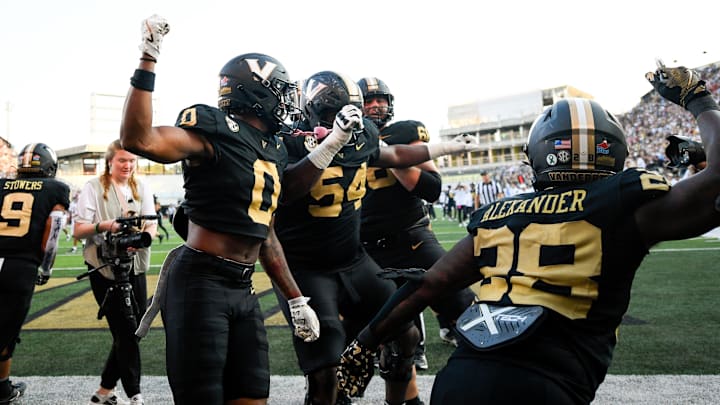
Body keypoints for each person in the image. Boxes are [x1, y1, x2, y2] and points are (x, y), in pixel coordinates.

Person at [337, 63, 720, 404]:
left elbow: (426, 286)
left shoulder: (500, 213)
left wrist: (362, 344)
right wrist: (698, 101)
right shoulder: (625, 202)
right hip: (550, 383)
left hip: (460, 380)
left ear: (537, 153)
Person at [118, 15, 361, 404]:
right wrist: (148, 57)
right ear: (257, 91)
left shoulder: (273, 146)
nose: (288, 100)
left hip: (243, 287)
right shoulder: (213, 129)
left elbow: (267, 229)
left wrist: (296, 299)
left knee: (251, 395)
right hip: (200, 282)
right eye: (281, 90)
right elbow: (138, 138)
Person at [273, 70, 480, 405]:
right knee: (326, 364)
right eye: (330, 115)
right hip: (306, 268)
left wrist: (446, 147)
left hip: (354, 259)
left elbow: (395, 156)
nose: (338, 122)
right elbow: (289, 188)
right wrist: (332, 142)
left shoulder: (361, 135)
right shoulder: (287, 141)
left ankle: (402, 402)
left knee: (405, 334)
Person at [357, 77, 477, 375]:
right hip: (367, 244)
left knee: (458, 296)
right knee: (385, 312)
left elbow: (432, 188)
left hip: (412, 236)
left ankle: (485, 346)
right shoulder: (348, 137)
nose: (374, 106)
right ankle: (404, 353)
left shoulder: (405, 131)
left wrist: (391, 156)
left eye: (379, 100)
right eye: (368, 100)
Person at [74, 139, 158, 405]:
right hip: (104, 268)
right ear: (110, 161)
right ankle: (135, 393)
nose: (128, 165)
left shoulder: (141, 186)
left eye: (132, 161)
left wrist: (144, 236)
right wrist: (106, 226)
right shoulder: (94, 187)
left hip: (135, 265)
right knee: (126, 331)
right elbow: (78, 230)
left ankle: (104, 391)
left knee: (132, 330)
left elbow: (151, 224)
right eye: (122, 160)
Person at [0, 143, 69, 404]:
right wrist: (47, 267)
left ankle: (3, 386)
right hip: (20, 265)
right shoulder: (56, 188)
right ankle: (1, 389)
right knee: (7, 328)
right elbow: (53, 229)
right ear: (49, 167)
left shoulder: (2, 185)